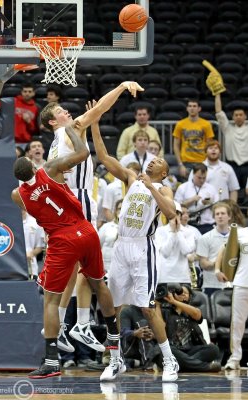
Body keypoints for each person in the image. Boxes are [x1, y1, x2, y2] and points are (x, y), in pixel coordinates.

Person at [39, 81, 144, 377]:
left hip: (65, 210)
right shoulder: (69, 129)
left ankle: (67, 326)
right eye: (60, 111)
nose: (66, 111)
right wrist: (122, 86)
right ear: (52, 121)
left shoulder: (52, 148)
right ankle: (81, 323)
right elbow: (100, 108)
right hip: (81, 202)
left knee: (77, 270)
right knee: (91, 272)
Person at [11, 125, 123, 381]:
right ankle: (113, 339)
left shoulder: (18, 195)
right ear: (33, 164)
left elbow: (29, 194)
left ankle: (51, 360)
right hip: (86, 230)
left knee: (50, 301)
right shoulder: (50, 170)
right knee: (99, 285)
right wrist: (70, 131)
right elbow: (84, 153)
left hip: (61, 240)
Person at [89, 102, 179, 382]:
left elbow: (171, 213)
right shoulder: (130, 177)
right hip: (121, 247)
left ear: (163, 172)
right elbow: (103, 156)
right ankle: (116, 361)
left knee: (147, 308)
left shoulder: (162, 187)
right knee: (112, 307)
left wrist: (152, 186)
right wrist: (94, 121)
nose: (152, 160)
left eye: (158, 161)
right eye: (150, 158)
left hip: (143, 248)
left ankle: (169, 360)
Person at [161, 285, 221, 373]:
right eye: (180, 292)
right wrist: (172, 301)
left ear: (190, 296)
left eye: (186, 293)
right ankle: (204, 367)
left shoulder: (191, 312)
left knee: (213, 349)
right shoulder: (165, 311)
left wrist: (175, 302)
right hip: (175, 350)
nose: (184, 295)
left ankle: (181, 365)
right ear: (173, 294)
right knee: (168, 350)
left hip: (191, 350)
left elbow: (197, 314)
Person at [215, 225, 248, 370]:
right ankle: (235, 358)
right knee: (237, 322)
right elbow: (224, 249)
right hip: (241, 283)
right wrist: (217, 269)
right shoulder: (240, 233)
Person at [155, 202, 196, 286]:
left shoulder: (189, 232)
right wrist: (173, 233)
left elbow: (186, 251)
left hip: (182, 277)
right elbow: (165, 253)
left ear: (180, 215)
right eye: (171, 213)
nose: (174, 216)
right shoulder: (159, 231)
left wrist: (178, 232)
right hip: (164, 277)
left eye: (177, 213)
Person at [214, 93, 248, 191]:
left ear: (245, 116)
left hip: (247, 166)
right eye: (236, 115)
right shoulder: (227, 128)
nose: (238, 117)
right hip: (232, 166)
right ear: (232, 117)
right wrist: (217, 94)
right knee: (232, 192)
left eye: (241, 115)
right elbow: (219, 112)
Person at [173, 100, 214, 179]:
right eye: (190, 106)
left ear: (199, 108)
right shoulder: (180, 124)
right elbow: (176, 146)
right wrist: (180, 165)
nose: (192, 108)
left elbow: (210, 145)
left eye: (194, 106)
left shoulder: (206, 124)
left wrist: (208, 162)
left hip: (202, 161)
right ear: (187, 108)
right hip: (186, 162)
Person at [196, 202, 230, 296]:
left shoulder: (238, 237)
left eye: (223, 213)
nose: (220, 216)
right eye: (217, 214)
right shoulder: (205, 238)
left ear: (229, 216)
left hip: (233, 284)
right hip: (211, 285)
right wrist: (220, 263)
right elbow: (203, 264)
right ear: (214, 217)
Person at [174, 163, 219, 234]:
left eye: (204, 178)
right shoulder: (183, 188)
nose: (202, 180)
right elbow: (176, 207)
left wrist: (208, 203)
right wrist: (190, 201)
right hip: (188, 224)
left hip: (207, 224)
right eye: (199, 178)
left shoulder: (211, 189)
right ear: (193, 174)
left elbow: (217, 207)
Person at [98, 200, 122, 274]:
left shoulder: (132, 230)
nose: (122, 211)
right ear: (115, 211)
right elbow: (98, 245)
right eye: (119, 208)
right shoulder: (106, 227)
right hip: (106, 268)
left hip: (122, 268)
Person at [22, 210, 45, 280]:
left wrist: (31, 253)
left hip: (31, 266)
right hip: (12, 266)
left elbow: (40, 246)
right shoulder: (9, 221)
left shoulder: (35, 223)